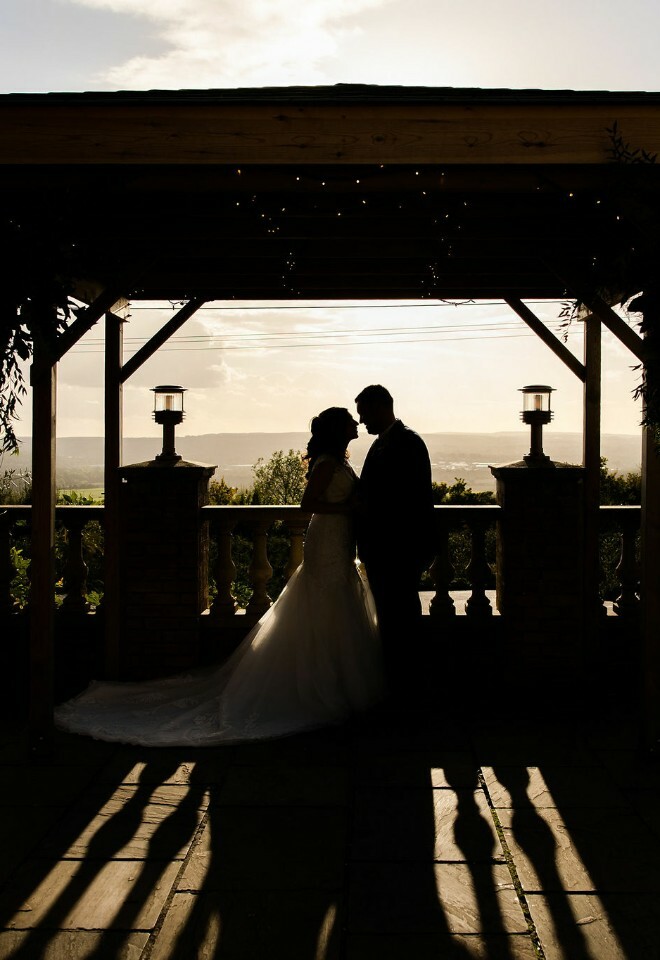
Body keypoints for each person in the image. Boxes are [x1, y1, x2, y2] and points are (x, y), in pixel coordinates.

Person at [55, 407, 385, 746]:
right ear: (336, 429)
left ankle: (332, 684)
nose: (356, 423)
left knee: (334, 606)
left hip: (340, 541)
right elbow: (307, 504)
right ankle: (321, 690)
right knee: (324, 603)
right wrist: (349, 509)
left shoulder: (339, 460)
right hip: (328, 539)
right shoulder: (328, 462)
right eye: (349, 420)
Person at [355, 385, 435, 688]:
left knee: (402, 620)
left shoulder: (408, 443)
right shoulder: (382, 443)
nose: (362, 422)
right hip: (383, 550)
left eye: (364, 415)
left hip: (400, 550)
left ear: (379, 408)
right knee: (390, 619)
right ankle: (397, 681)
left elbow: (408, 499)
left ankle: (407, 685)